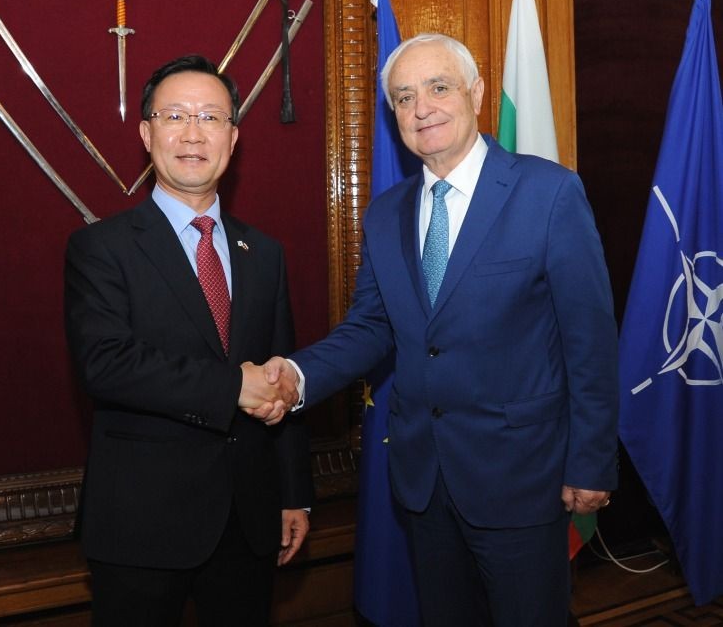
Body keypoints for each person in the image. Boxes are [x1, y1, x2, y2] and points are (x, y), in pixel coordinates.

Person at [264, 33, 619, 626]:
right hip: (423, 480)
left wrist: (592, 461)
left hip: (522, 476)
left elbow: (590, 343)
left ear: (475, 94)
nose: (422, 107)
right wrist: (296, 376)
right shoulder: (385, 213)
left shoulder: (549, 192)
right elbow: (372, 326)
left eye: (438, 87)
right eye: (404, 97)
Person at [64, 54, 313, 627]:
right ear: (146, 134)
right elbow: (105, 364)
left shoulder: (264, 253)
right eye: (175, 116)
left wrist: (293, 492)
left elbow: (282, 372)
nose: (193, 134)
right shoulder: (101, 248)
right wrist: (232, 387)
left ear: (233, 137)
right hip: (141, 525)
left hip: (249, 522)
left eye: (211, 117)